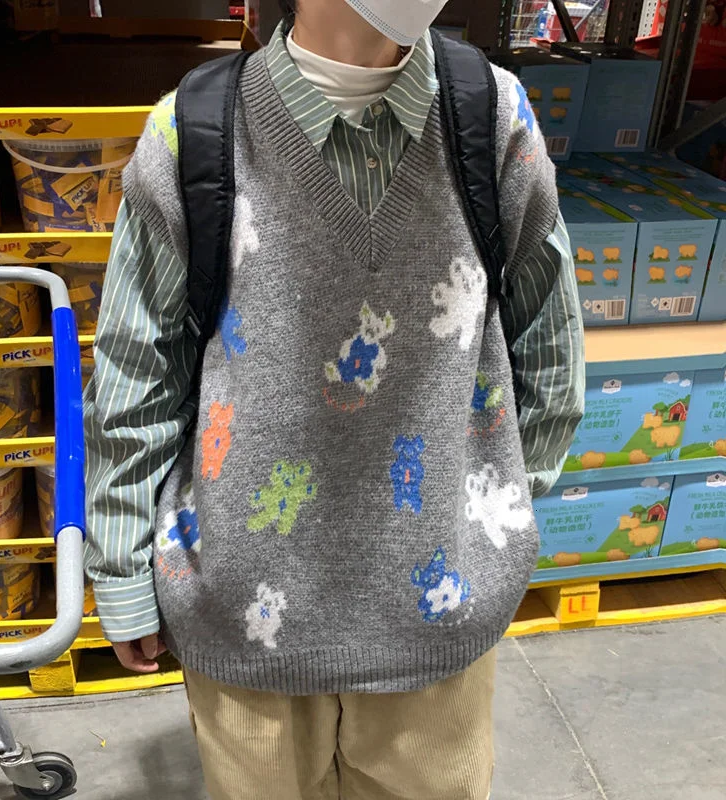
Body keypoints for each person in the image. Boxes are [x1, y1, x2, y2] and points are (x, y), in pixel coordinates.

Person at [83, 0, 585, 797]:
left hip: (438, 620)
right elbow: (137, 366)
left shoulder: (491, 114)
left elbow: (550, 342)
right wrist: (120, 566)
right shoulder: (193, 132)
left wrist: (496, 515)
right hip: (240, 615)